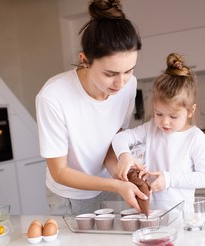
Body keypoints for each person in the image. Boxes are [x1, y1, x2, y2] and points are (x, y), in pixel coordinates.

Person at [35, 0, 147, 216]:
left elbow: (112, 140)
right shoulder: (53, 97)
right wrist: (116, 184)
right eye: (110, 74)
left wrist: (123, 165)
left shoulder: (128, 86)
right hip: (69, 195)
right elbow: (59, 172)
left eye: (129, 71)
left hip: (111, 186)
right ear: (84, 60)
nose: (120, 83)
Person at [112, 53, 205, 205]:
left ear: (190, 111)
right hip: (153, 213)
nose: (165, 122)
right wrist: (124, 156)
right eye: (159, 113)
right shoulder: (152, 127)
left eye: (173, 116)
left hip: (181, 216)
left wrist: (169, 179)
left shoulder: (195, 138)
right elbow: (119, 138)